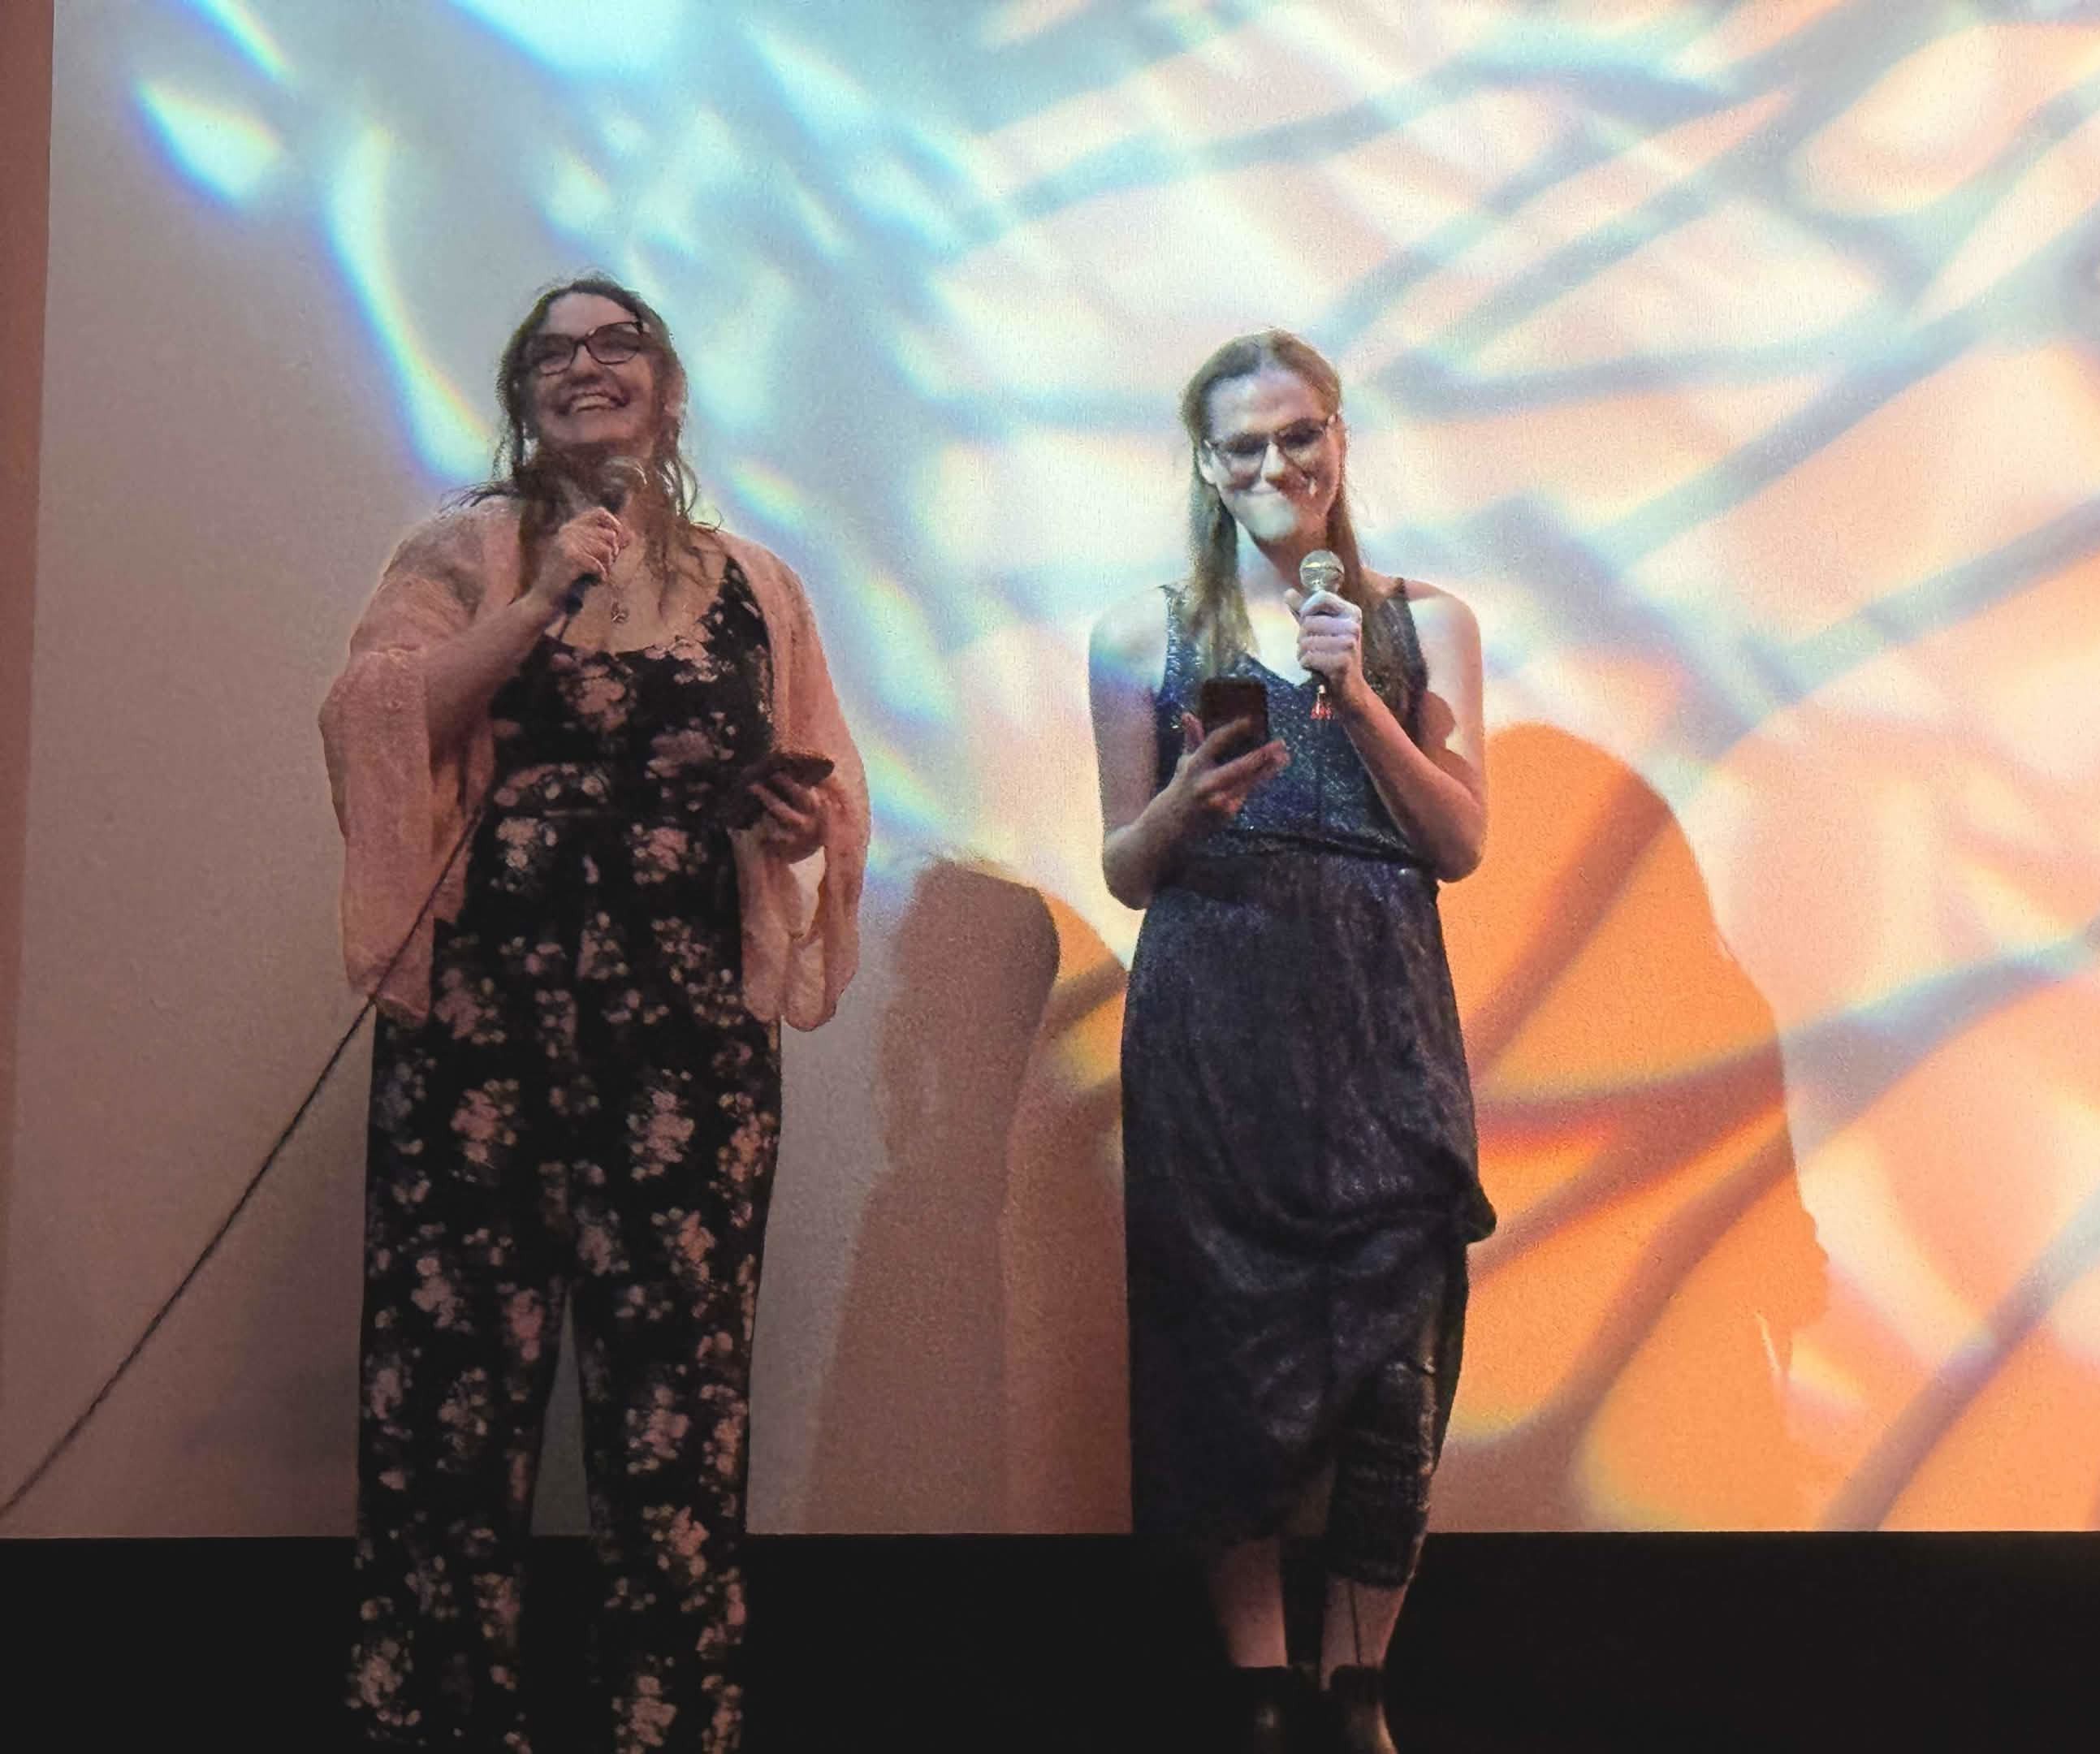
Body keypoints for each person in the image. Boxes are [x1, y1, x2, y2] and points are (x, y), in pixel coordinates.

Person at [320, 275, 867, 1752]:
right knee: (449, 1390)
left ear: (667, 389)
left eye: (616, 344)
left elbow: (817, 778)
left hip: (686, 1040)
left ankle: (663, 1720)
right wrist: (542, 596)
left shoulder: (755, 583)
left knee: (677, 1393)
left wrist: (787, 823)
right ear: (521, 396)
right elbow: (376, 720)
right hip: (482, 1026)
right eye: (553, 354)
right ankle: (446, 1719)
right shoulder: (464, 551)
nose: (586, 367)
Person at [1088, 330, 1496, 1753]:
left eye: (1300, 434)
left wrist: (1358, 699)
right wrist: (1183, 805)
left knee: (1396, 1355)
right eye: (1245, 445)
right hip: (1214, 1014)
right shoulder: (1140, 636)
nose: (1277, 464)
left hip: (1381, 1016)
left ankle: (1356, 1683)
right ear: (1207, 466)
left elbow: (1459, 843)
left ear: (1338, 439)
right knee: (1221, 1344)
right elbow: (1124, 868)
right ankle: (1259, 1685)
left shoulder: (1423, 622)